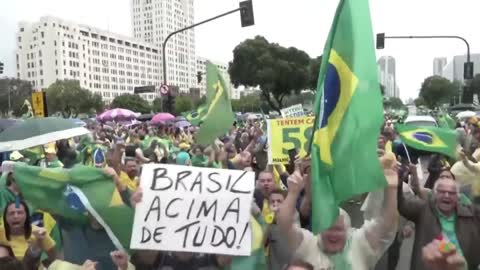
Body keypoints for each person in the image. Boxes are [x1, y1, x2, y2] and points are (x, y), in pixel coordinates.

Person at [277, 157, 399, 270]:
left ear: (348, 230)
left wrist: (391, 188)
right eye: (328, 228)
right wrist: (293, 192)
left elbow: (386, 223)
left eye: (338, 229)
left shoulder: (359, 243)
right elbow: (285, 225)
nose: (333, 234)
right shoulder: (309, 244)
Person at [398, 176, 480, 269]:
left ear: (458, 196)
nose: (446, 195)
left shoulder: (472, 214)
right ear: (435, 194)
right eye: (442, 191)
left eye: (452, 193)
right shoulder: (423, 209)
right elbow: (402, 204)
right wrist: (397, 182)